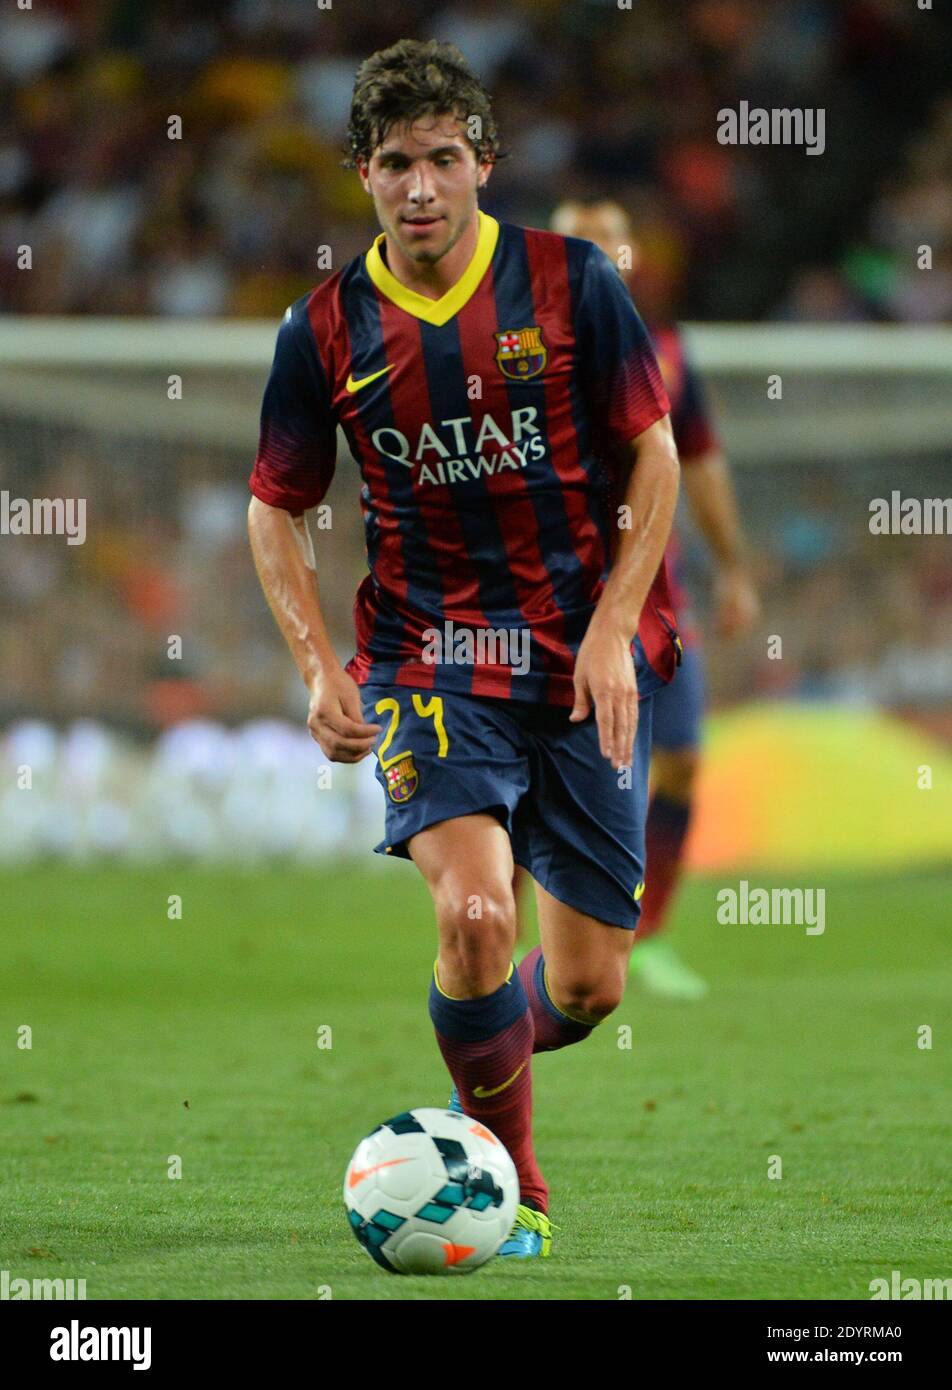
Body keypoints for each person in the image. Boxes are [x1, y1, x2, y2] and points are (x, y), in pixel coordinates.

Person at [247, 40, 681, 1261]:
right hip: (428, 663)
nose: (421, 186)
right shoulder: (324, 329)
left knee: (588, 988)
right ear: (365, 178)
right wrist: (317, 667)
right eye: (395, 164)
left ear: (483, 163)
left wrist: (608, 631)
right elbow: (272, 503)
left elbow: (651, 455)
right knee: (479, 911)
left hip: (577, 663)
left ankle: (473, 1050)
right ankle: (518, 1184)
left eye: (443, 158)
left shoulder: (572, 283)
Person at [548, 199, 761, 1000]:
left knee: (681, 762)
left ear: (633, 253)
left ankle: (650, 938)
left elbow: (699, 460)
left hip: (659, 601)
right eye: (581, 237)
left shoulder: (667, 352)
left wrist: (734, 566)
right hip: (564, 608)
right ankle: (575, 946)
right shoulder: (525, 351)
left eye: (610, 236)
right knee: (600, 780)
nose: (598, 249)